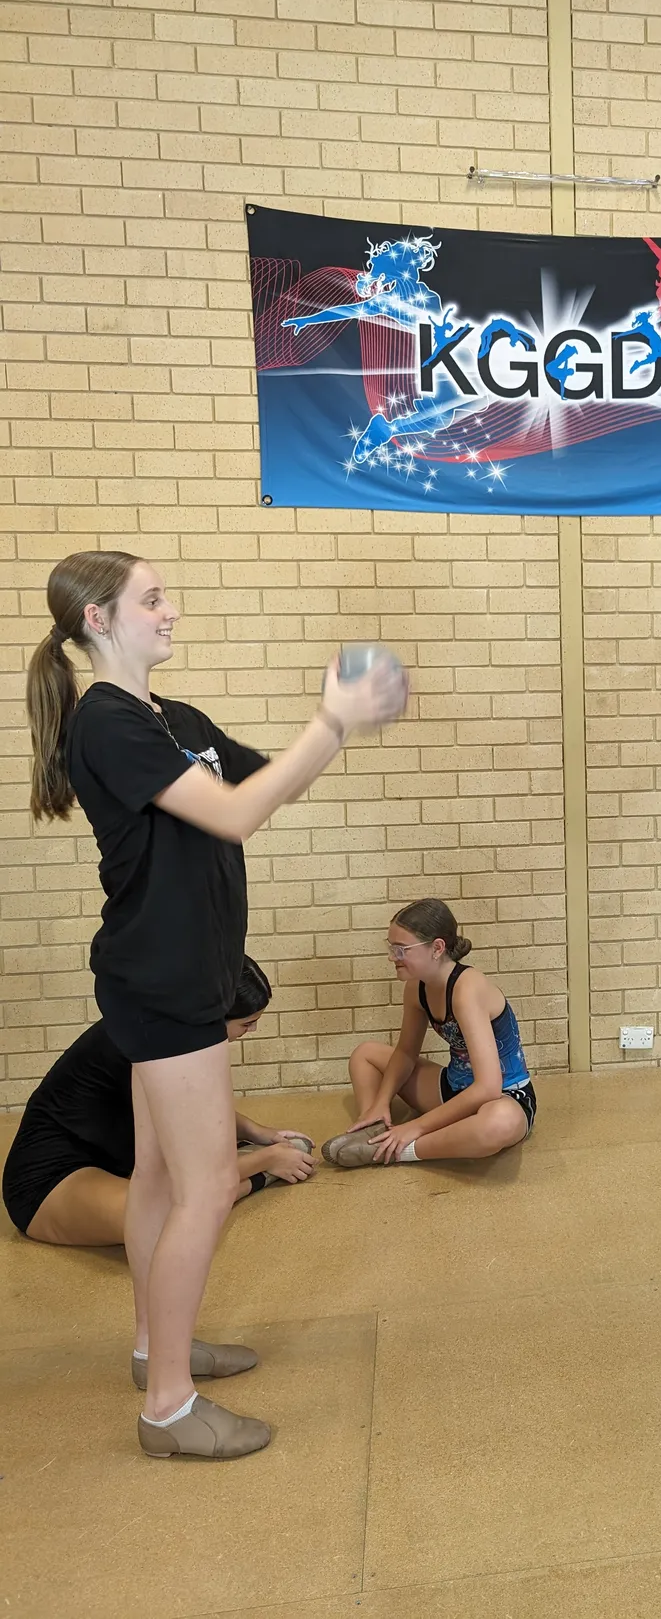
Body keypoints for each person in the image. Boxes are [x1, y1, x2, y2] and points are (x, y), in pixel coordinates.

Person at [25, 550, 407, 1459]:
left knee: (160, 1179)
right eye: (152, 600)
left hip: (175, 974)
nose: (172, 612)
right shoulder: (106, 723)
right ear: (98, 622)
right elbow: (232, 817)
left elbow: (263, 783)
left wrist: (335, 732)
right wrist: (333, 718)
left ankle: (158, 1347)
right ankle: (167, 1408)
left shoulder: (174, 718)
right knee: (205, 1188)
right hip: (159, 982)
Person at [3, 957, 315, 1250]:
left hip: (106, 1165)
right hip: (48, 1184)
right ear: (212, 1017)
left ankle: (237, 1176)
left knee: (185, 1199)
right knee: (168, 1219)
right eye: (247, 1024)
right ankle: (245, 1182)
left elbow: (201, 1110)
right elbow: (192, 1158)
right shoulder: (151, 1042)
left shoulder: (168, 1028)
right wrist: (268, 1159)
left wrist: (263, 1134)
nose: (253, 1031)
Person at [323, 898, 535, 1167]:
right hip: (452, 1088)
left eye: (401, 950)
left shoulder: (467, 989)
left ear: (437, 948)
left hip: (502, 1096)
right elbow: (405, 1053)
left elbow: (488, 1087)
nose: (392, 958)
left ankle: (401, 1150)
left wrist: (417, 1126)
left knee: (498, 1123)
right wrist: (380, 1101)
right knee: (365, 1055)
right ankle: (374, 1126)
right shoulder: (416, 987)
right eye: (390, 948)